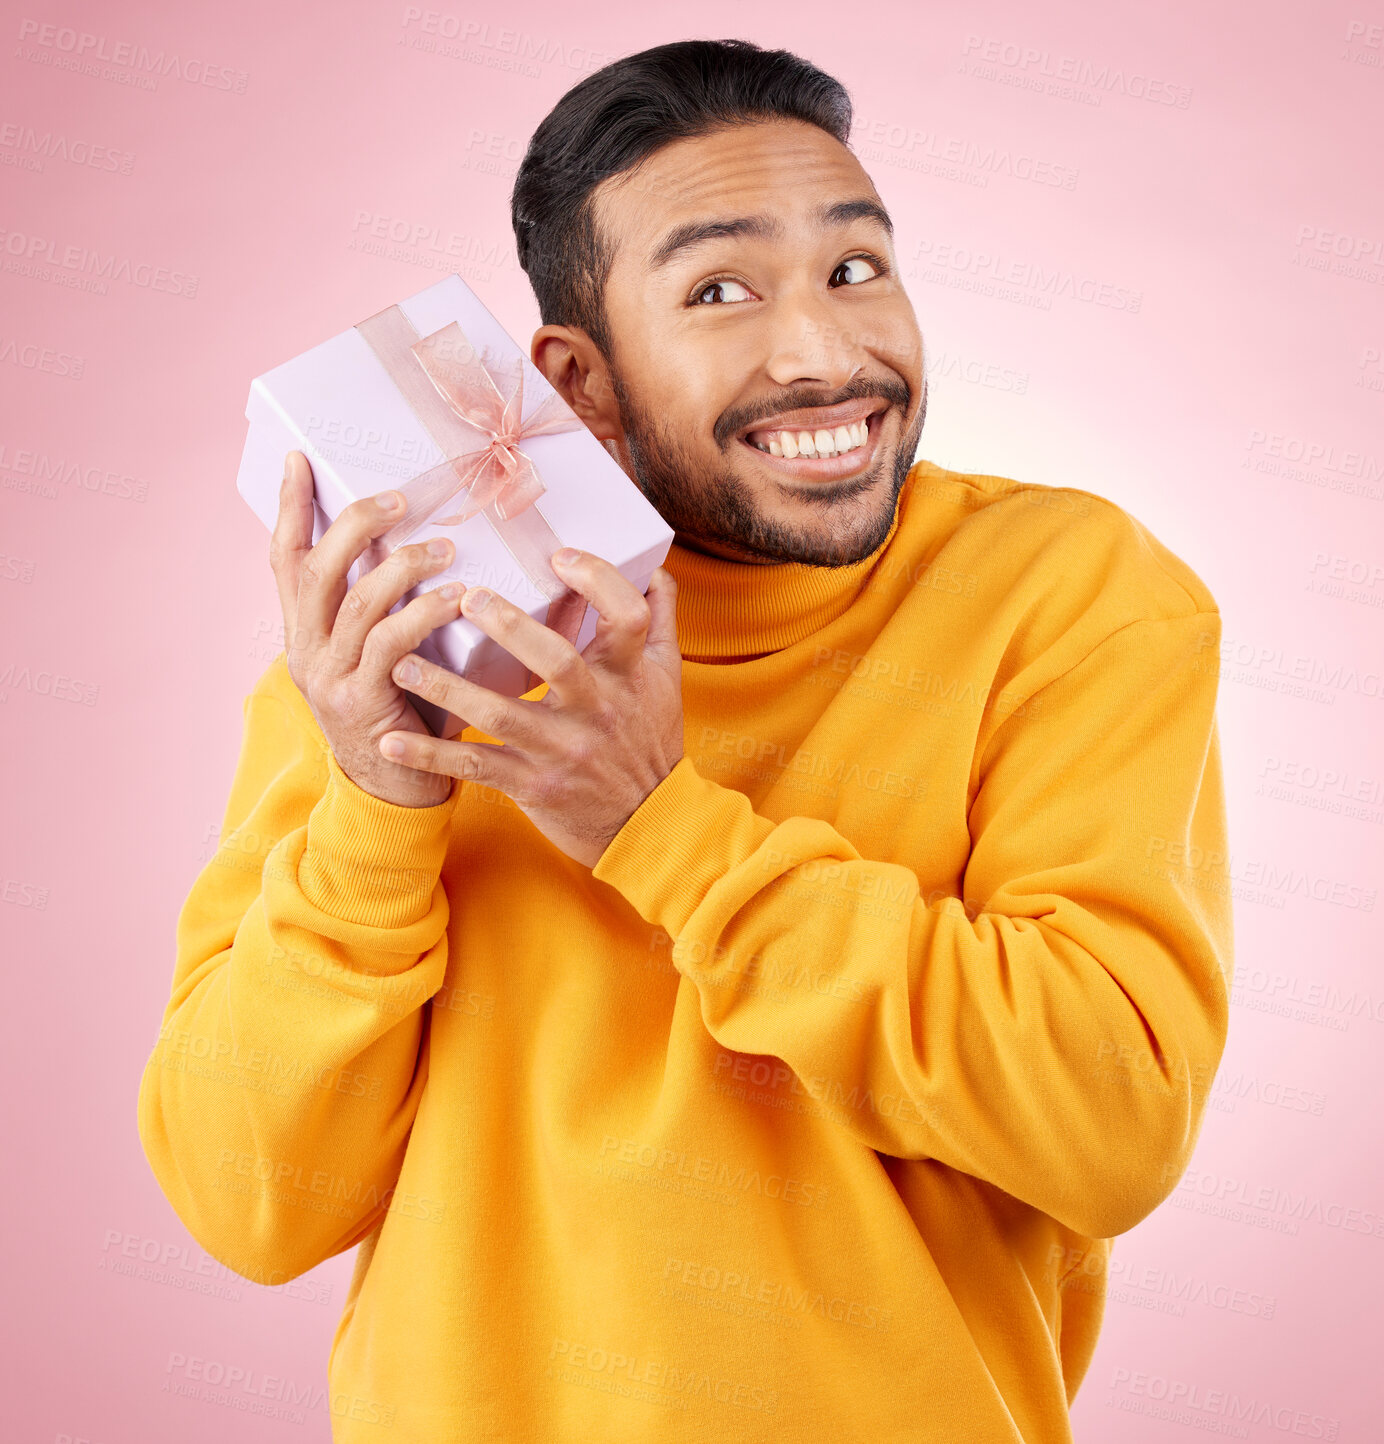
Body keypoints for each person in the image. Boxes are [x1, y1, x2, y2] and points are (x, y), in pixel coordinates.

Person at [137, 37, 1233, 1443]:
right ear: (575, 382)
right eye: (720, 289)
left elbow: (1113, 1120)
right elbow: (252, 1209)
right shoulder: (387, 663)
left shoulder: (1070, 595)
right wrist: (372, 810)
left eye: (856, 268)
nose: (828, 354)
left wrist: (665, 834)